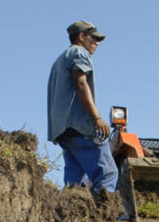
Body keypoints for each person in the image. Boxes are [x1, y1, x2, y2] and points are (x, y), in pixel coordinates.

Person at [47, 20, 118, 195]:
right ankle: (103, 219)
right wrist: (96, 118)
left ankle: (74, 218)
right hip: (79, 127)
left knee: (74, 184)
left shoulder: (59, 61)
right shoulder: (79, 52)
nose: (97, 43)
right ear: (81, 37)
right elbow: (80, 83)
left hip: (63, 131)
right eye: (93, 38)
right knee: (108, 173)